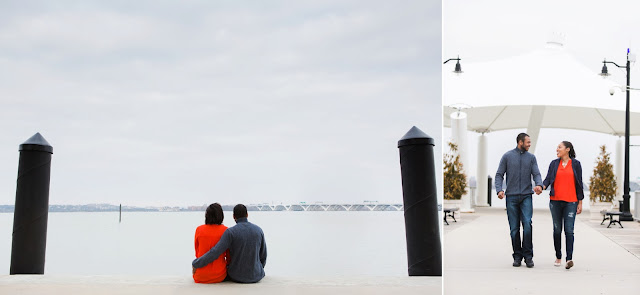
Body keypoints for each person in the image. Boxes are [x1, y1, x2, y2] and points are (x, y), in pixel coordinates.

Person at [495, 133, 543, 268]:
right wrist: (499, 189)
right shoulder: (507, 156)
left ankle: (528, 256)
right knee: (514, 229)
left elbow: (536, 174)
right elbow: (499, 175)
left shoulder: (531, 158)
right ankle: (517, 256)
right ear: (520, 142)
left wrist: (538, 184)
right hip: (511, 197)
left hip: (527, 196)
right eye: (527, 142)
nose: (529, 144)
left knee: (527, 224)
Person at [192, 204, 267, 283]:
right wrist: (258, 269)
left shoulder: (230, 232)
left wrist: (196, 263)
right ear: (247, 214)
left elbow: (214, 252)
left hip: (236, 276)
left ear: (234, 217)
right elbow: (263, 255)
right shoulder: (259, 230)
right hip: (256, 275)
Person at [542, 141, 584, 270]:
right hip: (555, 201)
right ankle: (558, 256)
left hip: (571, 201)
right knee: (557, 230)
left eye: (559, 147)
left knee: (569, 230)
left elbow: (579, 183)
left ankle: (569, 258)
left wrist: (580, 202)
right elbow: (548, 179)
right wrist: (541, 187)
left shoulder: (576, 164)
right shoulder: (554, 164)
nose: (557, 149)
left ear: (567, 149)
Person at [193, 203, 229, 283]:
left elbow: (197, 252)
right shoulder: (226, 231)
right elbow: (229, 255)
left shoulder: (199, 229)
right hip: (219, 275)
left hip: (200, 276)